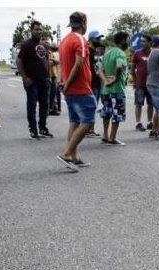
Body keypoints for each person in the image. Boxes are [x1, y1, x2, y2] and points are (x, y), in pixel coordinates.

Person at [56, 11, 95, 171]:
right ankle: (66, 153)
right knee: (88, 122)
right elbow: (78, 65)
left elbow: (61, 64)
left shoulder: (64, 40)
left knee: (75, 121)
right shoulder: (80, 39)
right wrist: (67, 84)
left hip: (70, 89)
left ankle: (73, 156)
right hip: (80, 88)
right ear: (84, 22)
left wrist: (62, 82)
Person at [17, 21, 53, 139]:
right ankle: (33, 130)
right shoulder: (26, 44)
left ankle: (43, 128)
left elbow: (46, 59)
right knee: (32, 106)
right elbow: (19, 61)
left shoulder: (43, 44)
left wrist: (48, 76)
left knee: (45, 106)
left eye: (40, 29)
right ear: (31, 31)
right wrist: (24, 78)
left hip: (44, 80)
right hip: (32, 81)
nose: (38, 31)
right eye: (36, 29)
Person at [97, 31, 129, 145]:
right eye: (127, 39)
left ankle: (105, 135)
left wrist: (106, 80)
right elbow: (119, 66)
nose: (128, 42)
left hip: (106, 90)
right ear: (123, 40)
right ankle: (112, 138)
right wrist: (115, 77)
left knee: (106, 112)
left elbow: (99, 70)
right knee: (117, 114)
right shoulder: (120, 53)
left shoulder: (107, 53)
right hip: (117, 90)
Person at [131, 34, 154, 132]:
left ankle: (149, 122)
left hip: (152, 83)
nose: (142, 43)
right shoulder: (137, 53)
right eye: (141, 41)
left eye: (144, 41)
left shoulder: (154, 53)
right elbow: (132, 68)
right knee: (138, 104)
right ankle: (138, 123)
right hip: (140, 83)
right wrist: (135, 81)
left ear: (149, 43)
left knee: (151, 104)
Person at [86, 30, 106, 138]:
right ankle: (88, 129)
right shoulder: (88, 51)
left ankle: (90, 129)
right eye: (97, 38)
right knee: (90, 107)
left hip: (97, 83)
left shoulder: (95, 52)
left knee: (93, 107)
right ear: (91, 39)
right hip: (91, 83)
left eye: (100, 38)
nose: (99, 40)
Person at [48, 44, 61, 115]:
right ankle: (55, 108)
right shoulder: (54, 54)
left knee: (53, 93)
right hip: (53, 75)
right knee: (54, 93)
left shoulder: (51, 54)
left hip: (53, 74)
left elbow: (53, 63)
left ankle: (53, 108)